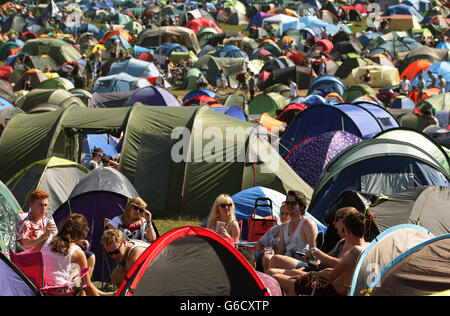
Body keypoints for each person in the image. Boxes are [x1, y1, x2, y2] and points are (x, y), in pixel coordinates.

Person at [269, 207, 360, 295]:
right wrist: (314, 261)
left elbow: (336, 268)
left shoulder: (354, 247)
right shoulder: (343, 241)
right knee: (274, 261)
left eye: (337, 220)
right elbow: (326, 258)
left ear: (345, 222)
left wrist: (315, 253)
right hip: (317, 268)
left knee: (274, 275)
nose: (333, 223)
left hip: (324, 277)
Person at [292, 212, 369, 296]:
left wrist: (311, 273)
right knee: (291, 274)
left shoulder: (356, 250)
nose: (333, 223)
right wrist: (313, 262)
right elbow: (330, 265)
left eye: (344, 230)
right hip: (328, 279)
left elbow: (332, 275)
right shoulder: (369, 246)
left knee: (287, 281)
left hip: (332, 288)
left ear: (348, 232)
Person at [40, 214, 99, 296]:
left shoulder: (46, 241)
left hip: (41, 288)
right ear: (81, 235)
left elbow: (30, 255)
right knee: (79, 279)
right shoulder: (77, 253)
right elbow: (88, 286)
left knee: (74, 271)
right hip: (58, 292)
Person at [264, 191, 318, 273]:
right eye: (287, 203)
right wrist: (272, 252)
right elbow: (281, 252)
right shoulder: (284, 226)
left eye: (293, 203)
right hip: (287, 260)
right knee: (267, 258)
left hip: (302, 263)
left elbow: (314, 252)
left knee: (275, 259)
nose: (289, 206)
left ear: (301, 206)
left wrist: (310, 271)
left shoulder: (308, 224)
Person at [255, 203, 290, 271]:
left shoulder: (291, 232)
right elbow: (260, 242)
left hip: (277, 259)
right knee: (249, 255)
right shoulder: (275, 228)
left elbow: (286, 252)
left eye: (286, 214)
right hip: (265, 255)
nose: (283, 216)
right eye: (282, 213)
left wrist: (273, 251)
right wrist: (260, 250)